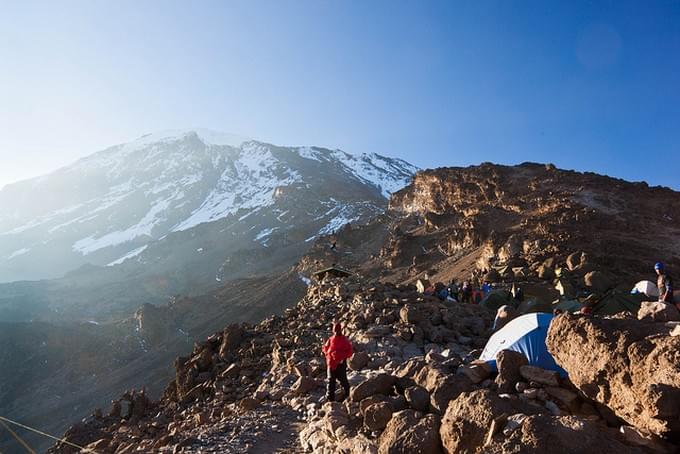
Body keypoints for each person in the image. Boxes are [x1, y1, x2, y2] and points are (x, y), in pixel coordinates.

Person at [322, 322, 353, 402]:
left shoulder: (344, 340)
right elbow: (325, 349)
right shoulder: (330, 339)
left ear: (340, 330)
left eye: (337, 330)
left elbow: (349, 352)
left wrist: (341, 357)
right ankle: (330, 400)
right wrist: (325, 349)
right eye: (335, 330)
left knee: (343, 380)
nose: (336, 332)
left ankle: (348, 395)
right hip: (331, 364)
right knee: (330, 381)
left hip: (340, 364)